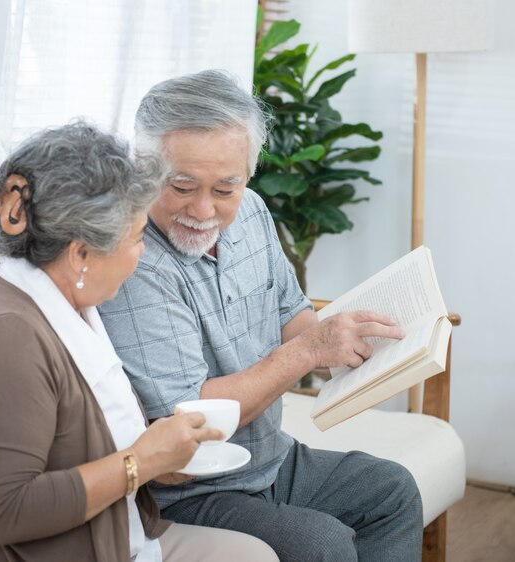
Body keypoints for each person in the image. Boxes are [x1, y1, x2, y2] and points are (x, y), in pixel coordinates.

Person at [0, 121, 278, 562]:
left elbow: (85, 441)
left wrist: (162, 455)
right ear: (81, 252)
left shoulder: (71, 307)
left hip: (108, 532)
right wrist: (142, 462)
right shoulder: (7, 340)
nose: (141, 255)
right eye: (136, 238)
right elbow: (3, 512)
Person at [98, 71, 424, 562]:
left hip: (272, 457)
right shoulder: (133, 258)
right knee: (321, 544)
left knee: (390, 490)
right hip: (189, 491)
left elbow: (293, 316)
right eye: (182, 186)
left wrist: (367, 348)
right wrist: (311, 349)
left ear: (247, 175)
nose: (203, 209)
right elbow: (193, 415)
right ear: (144, 170)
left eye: (225, 188)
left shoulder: (250, 211)